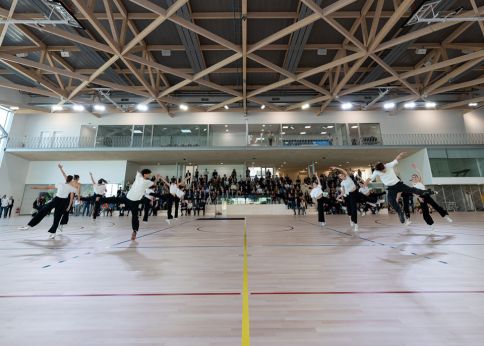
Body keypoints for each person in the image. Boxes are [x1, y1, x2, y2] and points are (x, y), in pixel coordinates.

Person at [365, 152, 435, 225]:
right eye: (382, 171)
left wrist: (400, 155)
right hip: (391, 188)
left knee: (412, 190)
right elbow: (369, 178)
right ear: (379, 170)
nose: (384, 171)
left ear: (384, 166)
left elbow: (396, 159)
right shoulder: (376, 172)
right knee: (391, 200)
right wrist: (365, 184)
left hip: (398, 185)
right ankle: (400, 213)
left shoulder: (388, 165)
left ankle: (427, 192)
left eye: (384, 169)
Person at [18, 174, 77, 239]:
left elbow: (48, 187)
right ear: (71, 180)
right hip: (63, 202)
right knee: (57, 217)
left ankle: (28, 225)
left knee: (43, 211)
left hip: (57, 200)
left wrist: (37, 187)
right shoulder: (72, 188)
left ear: (66, 179)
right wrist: (69, 206)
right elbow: (73, 196)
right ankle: (53, 233)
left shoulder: (60, 184)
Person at [409, 163, 453, 232]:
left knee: (436, 206)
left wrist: (416, 168)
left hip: (426, 195)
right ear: (412, 179)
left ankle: (446, 217)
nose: (414, 178)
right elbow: (414, 194)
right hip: (421, 198)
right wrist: (419, 198)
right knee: (425, 213)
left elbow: (420, 173)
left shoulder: (420, 182)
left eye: (415, 177)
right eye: (413, 177)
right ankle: (431, 225)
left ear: (418, 178)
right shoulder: (413, 185)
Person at [124, 169, 159, 240]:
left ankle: (134, 231)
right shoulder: (144, 180)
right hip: (128, 198)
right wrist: (157, 178)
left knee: (135, 216)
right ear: (145, 174)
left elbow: (139, 172)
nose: (149, 175)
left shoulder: (144, 180)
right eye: (149, 174)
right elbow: (154, 183)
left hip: (135, 201)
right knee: (114, 199)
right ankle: (104, 203)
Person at [332, 167, 359, 232]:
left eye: (341, 175)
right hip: (347, 196)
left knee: (354, 209)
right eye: (339, 176)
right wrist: (338, 196)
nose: (341, 177)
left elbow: (343, 170)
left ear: (344, 175)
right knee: (349, 210)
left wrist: (336, 167)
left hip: (353, 194)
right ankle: (351, 219)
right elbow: (343, 192)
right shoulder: (342, 183)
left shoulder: (348, 177)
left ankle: (356, 224)